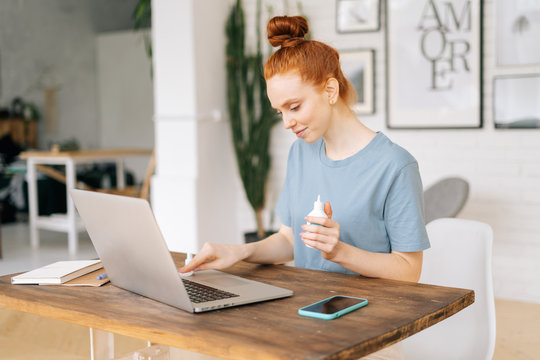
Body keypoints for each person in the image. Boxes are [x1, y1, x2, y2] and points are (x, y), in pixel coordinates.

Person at [181, 15, 429, 359]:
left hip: (369, 329)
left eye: (294, 107)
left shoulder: (395, 166)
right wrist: (240, 252)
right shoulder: (302, 152)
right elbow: (289, 239)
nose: (287, 122)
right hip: (307, 316)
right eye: (279, 111)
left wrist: (339, 251)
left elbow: (409, 271)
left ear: (330, 90)